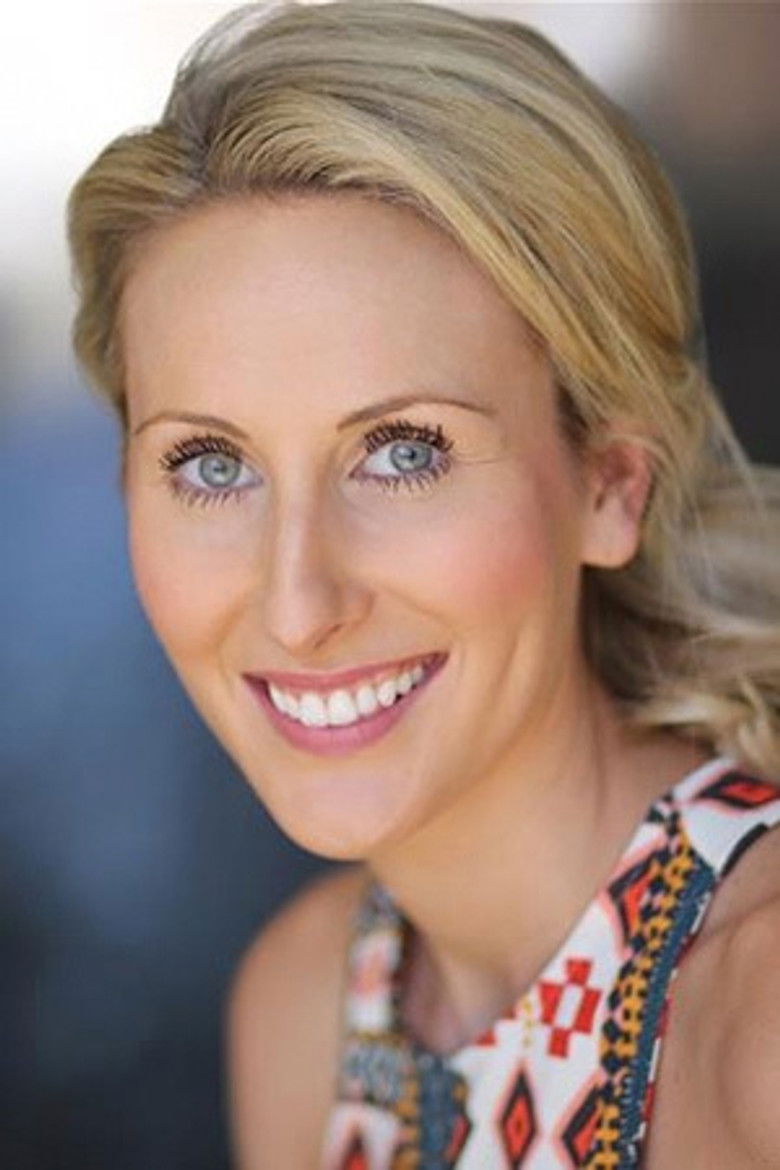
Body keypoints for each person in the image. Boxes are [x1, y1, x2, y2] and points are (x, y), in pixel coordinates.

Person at [66, 2, 780, 1166]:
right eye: (212, 464)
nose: (298, 605)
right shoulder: (304, 1008)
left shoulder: (759, 1015)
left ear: (611, 482)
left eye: (404, 452)